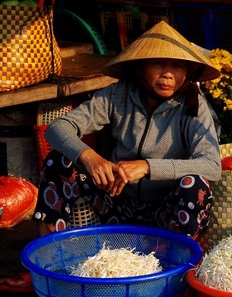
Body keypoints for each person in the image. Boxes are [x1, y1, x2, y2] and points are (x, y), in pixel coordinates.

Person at [34, 21, 222, 239]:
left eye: (177, 66)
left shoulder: (193, 106)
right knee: (58, 161)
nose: (168, 74)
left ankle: (178, 262)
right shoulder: (117, 95)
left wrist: (147, 167)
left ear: (187, 72)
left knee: (195, 184)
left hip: (166, 214)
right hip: (116, 204)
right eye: (158, 63)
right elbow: (57, 128)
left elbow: (211, 165)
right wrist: (89, 157)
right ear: (140, 67)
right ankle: (49, 250)